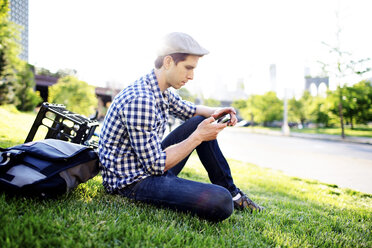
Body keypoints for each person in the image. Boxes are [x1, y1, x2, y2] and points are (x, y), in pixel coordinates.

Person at [98, 32, 263, 222]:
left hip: (146, 166)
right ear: (168, 62)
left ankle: (233, 193)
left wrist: (218, 111)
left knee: (197, 121)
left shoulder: (160, 90)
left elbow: (190, 110)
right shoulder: (141, 100)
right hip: (131, 183)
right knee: (220, 201)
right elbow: (155, 166)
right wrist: (198, 136)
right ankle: (228, 197)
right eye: (188, 68)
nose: (191, 76)